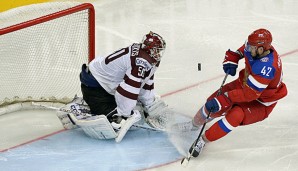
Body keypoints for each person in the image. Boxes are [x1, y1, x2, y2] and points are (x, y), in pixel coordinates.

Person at [176, 28, 288, 157]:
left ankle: (202, 140)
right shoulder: (257, 48)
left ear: (261, 49)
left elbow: (249, 95)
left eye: (251, 47)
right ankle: (193, 125)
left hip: (261, 102)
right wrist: (233, 58)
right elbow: (241, 51)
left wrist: (226, 98)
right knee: (211, 103)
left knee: (235, 115)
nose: (248, 49)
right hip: (246, 84)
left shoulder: (266, 68)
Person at [58, 31, 169, 142]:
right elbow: (127, 90)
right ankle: (76, 108)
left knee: (137, 113)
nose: (159, 54)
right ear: (150, 50)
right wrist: (124, 115)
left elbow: (144, 82)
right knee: (114, 123)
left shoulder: (148, 58)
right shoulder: (141, 62)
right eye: (157, 51)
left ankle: (96, 105)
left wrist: (149, 104)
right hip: (95, 87)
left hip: (107, 86)